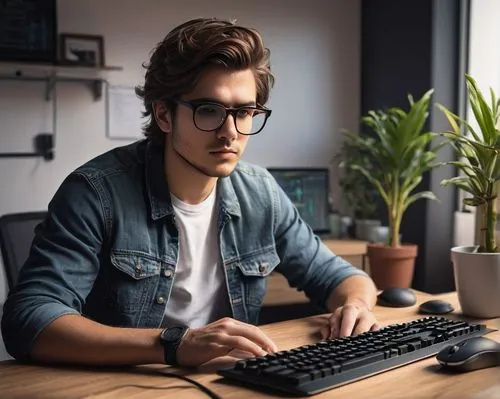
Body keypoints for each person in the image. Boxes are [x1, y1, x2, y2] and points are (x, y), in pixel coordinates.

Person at [1, 17, 378, 369]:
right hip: (126, 385)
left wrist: (355, 305)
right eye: (209, 110)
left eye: (244, 112)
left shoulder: (260, 193)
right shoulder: (96, 193)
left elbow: (341, 277)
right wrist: (173, 344)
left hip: (230, 381)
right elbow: (30, 318)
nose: (230, 132)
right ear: (164, 115)